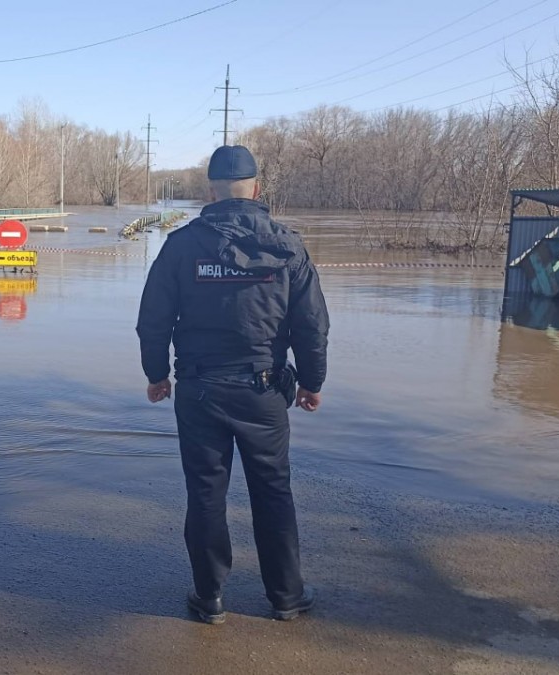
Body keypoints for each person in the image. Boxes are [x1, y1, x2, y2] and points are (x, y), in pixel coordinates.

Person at [136, 145, 329, 624]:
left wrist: (156, 375)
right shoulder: (288, 246)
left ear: (211, 190)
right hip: (264, 392)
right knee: (273, 492)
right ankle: (286, 597)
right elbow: (312, 325)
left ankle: (209, 597)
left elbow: (153, 320)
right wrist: (311, 381)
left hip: (201, 391)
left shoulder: (182, 246)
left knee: (205, 493)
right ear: (257, 189)